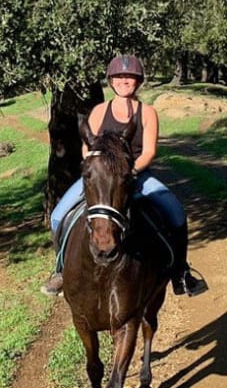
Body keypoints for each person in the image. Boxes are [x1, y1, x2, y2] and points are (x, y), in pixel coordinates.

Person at [41, 54, 208, 298]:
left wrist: (129, 172)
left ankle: (180, 273)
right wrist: (97, 167)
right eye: (119, 76)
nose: (124, 81)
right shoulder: (100, 111)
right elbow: (87, 146)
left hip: (135, 174)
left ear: (138, 81)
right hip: (100, 178)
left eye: (129, 77)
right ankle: (60, 271)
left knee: (176, 212)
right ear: (111, 80)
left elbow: (149, 150)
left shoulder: (147, 112)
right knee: (58, 216)